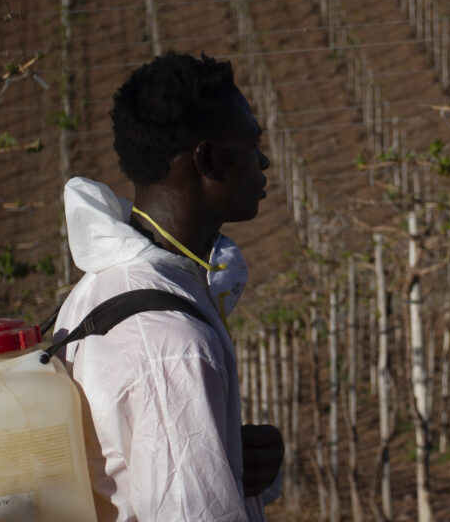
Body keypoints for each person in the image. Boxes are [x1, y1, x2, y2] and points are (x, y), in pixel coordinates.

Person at [54, 52, 281, 522]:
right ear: (209, 160)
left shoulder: (104, 284)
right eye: (252, 146)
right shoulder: (171, 345)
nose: (264, 162)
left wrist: (234, 456)